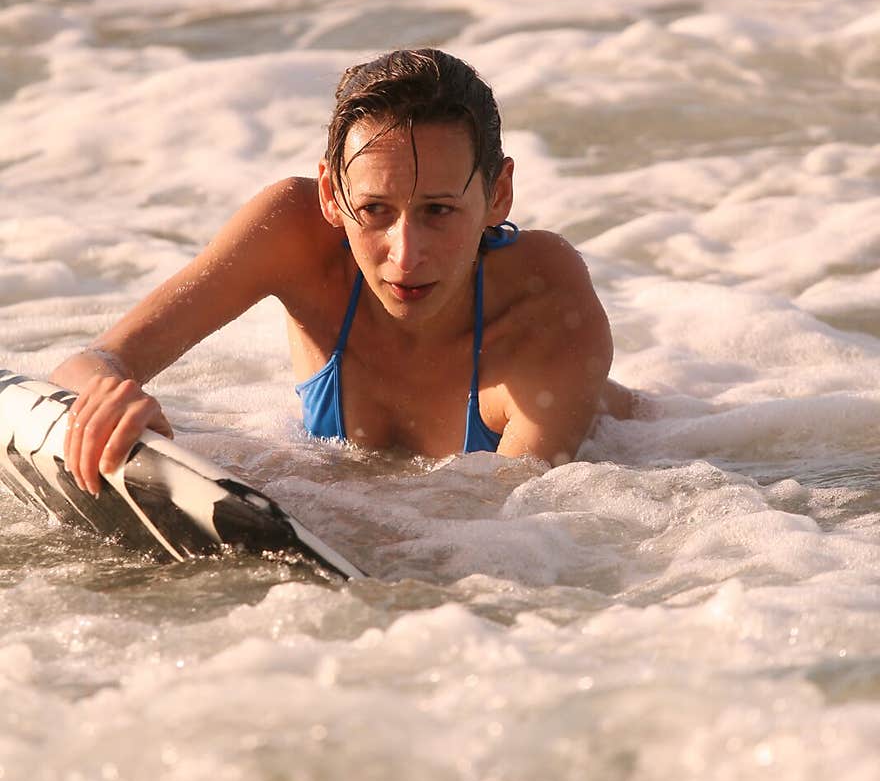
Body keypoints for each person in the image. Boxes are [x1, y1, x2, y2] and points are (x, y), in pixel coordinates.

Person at [52, 48, 632, 496]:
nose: (405, 255)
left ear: (498, 195)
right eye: (375, 210)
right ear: (332, 194)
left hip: (652, 451)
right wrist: (109, 400)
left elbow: (493, 538)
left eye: (439, 211)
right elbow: (92, 361)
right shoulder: (294, 233)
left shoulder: (546, 309)